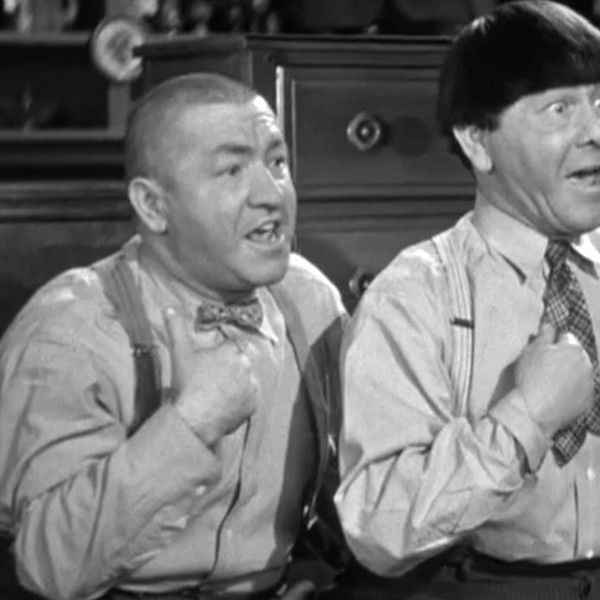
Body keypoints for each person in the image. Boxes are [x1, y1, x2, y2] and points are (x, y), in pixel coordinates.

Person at [0, 73, 347, 600]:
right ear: (154, 206)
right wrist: (190, 424)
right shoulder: (71, 330)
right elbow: (51, 566)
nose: (271, 195)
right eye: (232, 170)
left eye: (277, 163)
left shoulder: (309, 299)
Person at [333, 1, 600, 598]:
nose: (595, 134)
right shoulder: (413, 297)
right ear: (478, 141)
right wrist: (527, 418)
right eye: (560, 109)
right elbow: (380, 526)